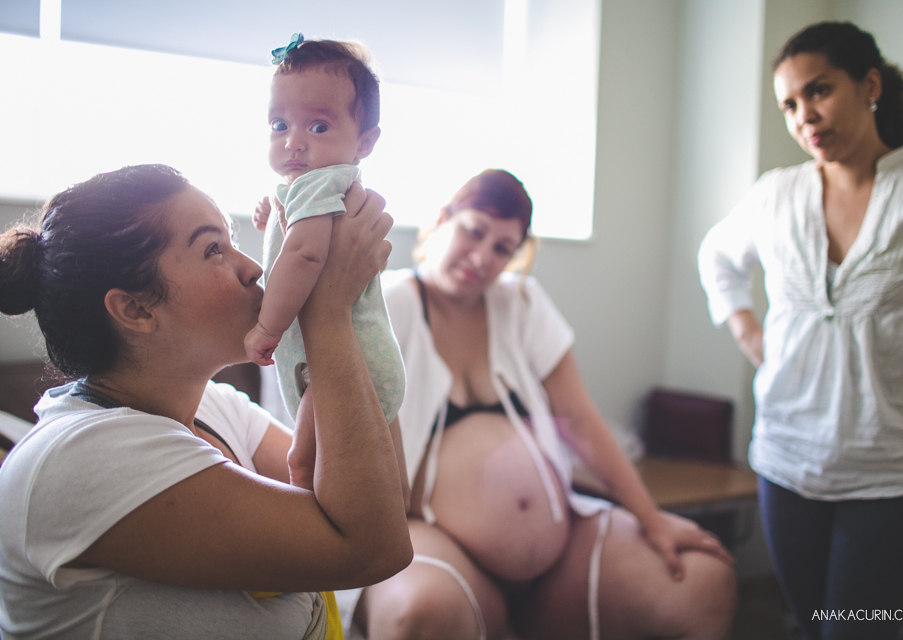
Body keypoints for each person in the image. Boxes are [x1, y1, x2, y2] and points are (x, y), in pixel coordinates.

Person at [0, 164, 412, 639]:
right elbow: (372, 546)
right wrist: (327, 312)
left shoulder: (215, 405)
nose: (253, 268)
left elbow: (384, 498)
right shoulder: (78, 458)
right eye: (213, 249)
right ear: (135, 309)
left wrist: (354, 306)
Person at [342, 169, 737, 640]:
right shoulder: (387, 306)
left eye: (502, 249)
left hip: (560, 552)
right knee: (418, 614)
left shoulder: (521, 304)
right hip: (433, 538)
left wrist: (651, 520)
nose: (482, 258)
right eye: (474, 231)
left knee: (705, 579)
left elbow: (583, 422)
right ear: (443, 218)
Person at [698, 21, 903, 640]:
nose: (804, 116)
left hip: (901, 471)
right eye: (789, 104)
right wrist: (747, 332)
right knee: (808, 623)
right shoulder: (775, 195)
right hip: (788, 461)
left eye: (819, 91)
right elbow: (718, 258)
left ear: (869, 85)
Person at [246, 35, 405, 463]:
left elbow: (305, 256)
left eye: (318, 126)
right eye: (280, 125)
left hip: (347, 363)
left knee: (304, 461)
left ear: (364, 142)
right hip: (356, 359)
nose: (293, 141)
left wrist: (266, 328)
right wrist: (271, 223)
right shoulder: (315, 188)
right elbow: (295, 240)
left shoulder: (320, 183)